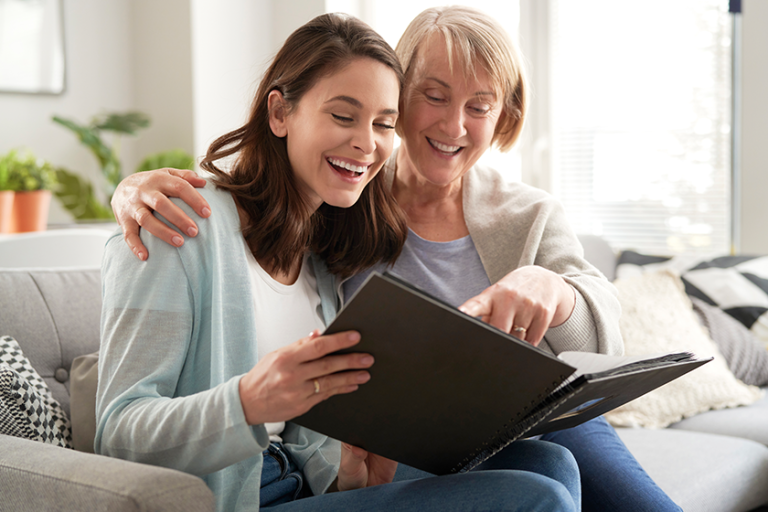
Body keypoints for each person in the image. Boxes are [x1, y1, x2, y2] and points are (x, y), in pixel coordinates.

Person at [108, 6, 681, 512]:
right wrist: (130, 189)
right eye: (433, 96)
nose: (365, 142)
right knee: (541, 495)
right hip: (256, 486)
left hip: (440, 443)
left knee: (553, 460)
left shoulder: (329, 238)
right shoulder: (304, 217)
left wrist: (555, 289)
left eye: (379, 123)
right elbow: (122, 432)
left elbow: (601, 333)